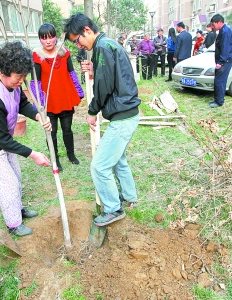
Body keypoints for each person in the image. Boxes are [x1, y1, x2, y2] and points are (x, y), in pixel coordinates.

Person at [64, 13, 141, 226]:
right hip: (127, 113)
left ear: (87, 30)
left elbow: (105, 86)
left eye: (77, 40)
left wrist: (92, 110)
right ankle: (130, 196)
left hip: (122, 117)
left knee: (99, 166)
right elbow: (110, 75)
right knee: (118, 160)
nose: (78, 46)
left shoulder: (103, 47)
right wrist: (95, 70)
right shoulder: (107, 45)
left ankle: (113, 209)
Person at [0, 41, 52, 237]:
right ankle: (13, 224)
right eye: (18, 77)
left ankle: (18, 210)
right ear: (4, 71)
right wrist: (33, 154)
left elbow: (22, 103)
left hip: (2, 137)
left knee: (15, 175)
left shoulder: (12, 82)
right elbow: (3, 141)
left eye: (24, 76)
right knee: (7, 183)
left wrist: (38, 115)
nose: (21, 80)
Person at [30, 23, 84, 172]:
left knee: (67, 129)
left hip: (65, 98)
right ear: (40, 40)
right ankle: (55, 159)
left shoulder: (64, 52)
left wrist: (79, 91)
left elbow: (72, 73)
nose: (48, 41)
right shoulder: (37, 56)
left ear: (55, 37)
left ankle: (71, 155)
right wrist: (39, 102)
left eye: (51, 37)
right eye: (44, 38)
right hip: (49, 102)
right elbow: (36, 82)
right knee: (51, 132)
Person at [209, 14, 232, 108]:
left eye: (214, 24)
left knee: (220, 81)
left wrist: (221, 62)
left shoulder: (225, 31)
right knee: (218, 80)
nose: (213, 26)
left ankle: (219, 101)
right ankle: (217, 99)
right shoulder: (222, 31)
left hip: (225, 61)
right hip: (223, 60)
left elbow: (225, 48)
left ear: (219, 22)